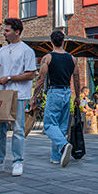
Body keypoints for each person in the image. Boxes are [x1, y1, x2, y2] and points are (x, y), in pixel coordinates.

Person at [0, 18, 36, 177]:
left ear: (16, 32)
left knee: (18, 129)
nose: (4, 33)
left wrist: (10, 78)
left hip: (18, 95)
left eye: (7, 30)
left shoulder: (27, 50)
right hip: (0, 93)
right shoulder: (1, 51)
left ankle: (18, 161)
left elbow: (31, 74)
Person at [30, 30, 80, 167]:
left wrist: (34, 97)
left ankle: (63, 145)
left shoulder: (47, 58)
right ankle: (56, 157)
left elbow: (41, 79)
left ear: (51, 42)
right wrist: (78, 97)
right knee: (61, 127)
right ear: (63, 42)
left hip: (54, 93)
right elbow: (76, 79)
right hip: (67, 93)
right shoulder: (72, 58)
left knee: (49, 125)